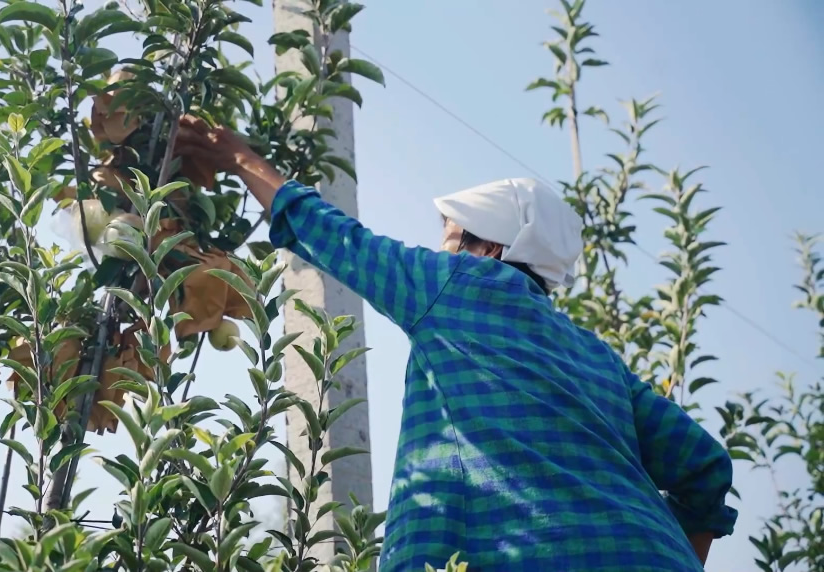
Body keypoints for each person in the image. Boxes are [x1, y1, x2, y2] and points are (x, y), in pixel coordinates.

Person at [174, 115, 738, 571]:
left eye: (448, 240)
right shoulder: (595, 356)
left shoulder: (458, 286)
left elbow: (340, 239)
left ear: (489, 247)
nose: (437, 256)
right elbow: (705, 468)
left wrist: (240, 158)